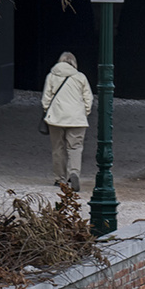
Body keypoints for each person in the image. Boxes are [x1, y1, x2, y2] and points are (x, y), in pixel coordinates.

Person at [41, 51, 93, 192]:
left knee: (58, 149)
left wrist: (48, 111)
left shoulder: (51, 76)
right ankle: (74, 172)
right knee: (75, 147)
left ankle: (60, 179)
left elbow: (46, 98)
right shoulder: (80, 77)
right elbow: (88, 98)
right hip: (77, 118)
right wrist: (85, 112)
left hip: (56, 118)